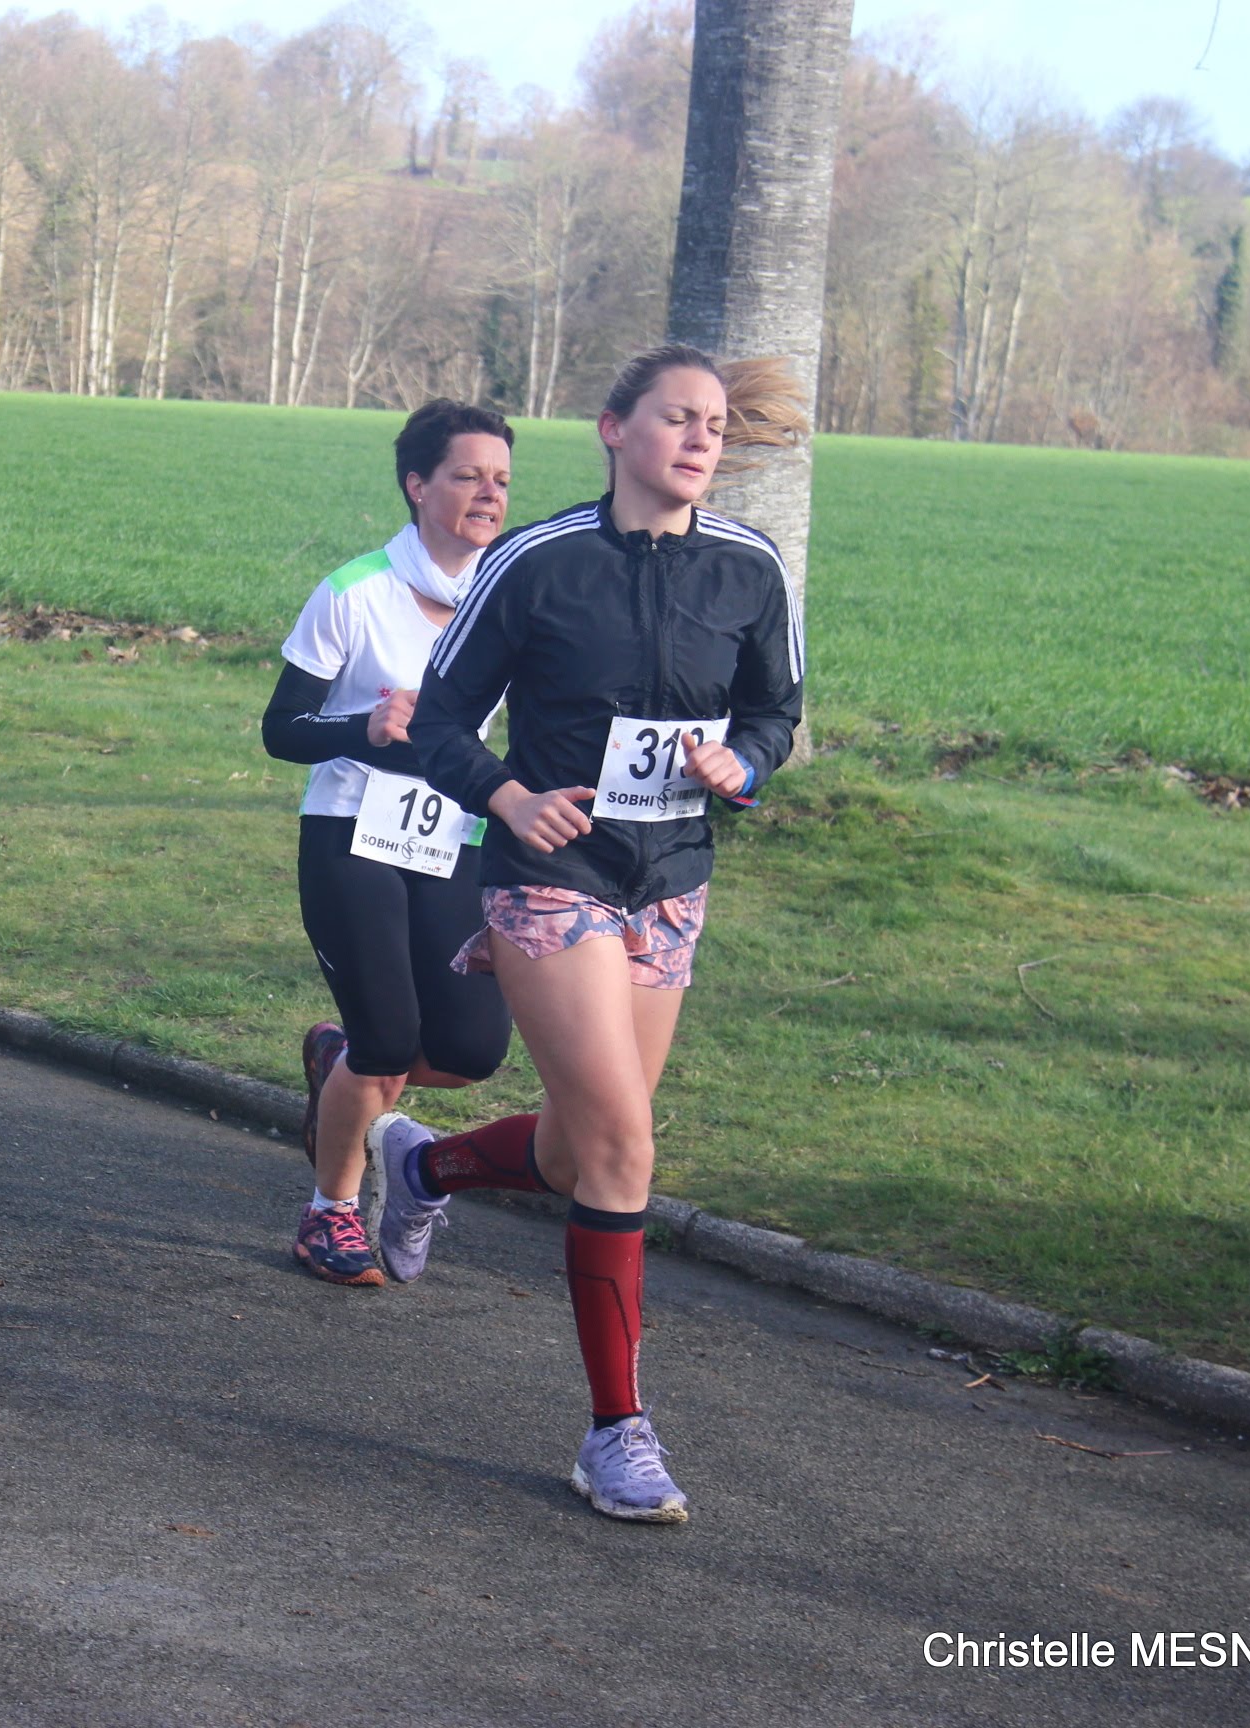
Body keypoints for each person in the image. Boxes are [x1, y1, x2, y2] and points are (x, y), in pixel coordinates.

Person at [376, 344, 807, 1521]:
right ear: (616, 429)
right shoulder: (538, 560)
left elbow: (776, 711)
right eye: (678, 418)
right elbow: (439, 722)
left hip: (668, 880)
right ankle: (617, 1434)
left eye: (715, 424)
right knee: (625, 1150)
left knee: (579, 1155)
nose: (702, 438)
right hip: (548, 876)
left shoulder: (750, 567)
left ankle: (422, 1164)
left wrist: (743, 764)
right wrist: (509, 798)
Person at [260, 401, 517, 1286]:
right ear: (417, 485)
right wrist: (362, 728)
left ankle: (337, 1063)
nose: (489, 494)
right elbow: (281, 729)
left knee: (469, 1051)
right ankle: (329, 1215)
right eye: (467, 475)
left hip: (454, 837)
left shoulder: (505, 599)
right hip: (350, 831)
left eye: (501, 480)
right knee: (388, 1040)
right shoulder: (354, 591)